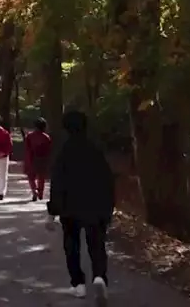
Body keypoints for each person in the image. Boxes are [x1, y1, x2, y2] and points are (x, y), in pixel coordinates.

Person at [47, 110, 115, 304]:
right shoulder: (96, 150)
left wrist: (52, 211)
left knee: (72, 246)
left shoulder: (64, 151)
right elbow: (108, 180)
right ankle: (99, 277)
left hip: (70, 208)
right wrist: (109, 207)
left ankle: (78, 285)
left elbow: (58, 183)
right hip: (95, 206)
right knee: (97, 244)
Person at [24, 117, 54, 201]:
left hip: (31, 157)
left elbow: (27, 148)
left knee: (31, 176)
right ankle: (40, 193)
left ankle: (34, 190)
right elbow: (49, 149)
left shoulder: (29, 136)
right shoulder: (46, 137)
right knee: (41, 177)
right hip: (42, 158)